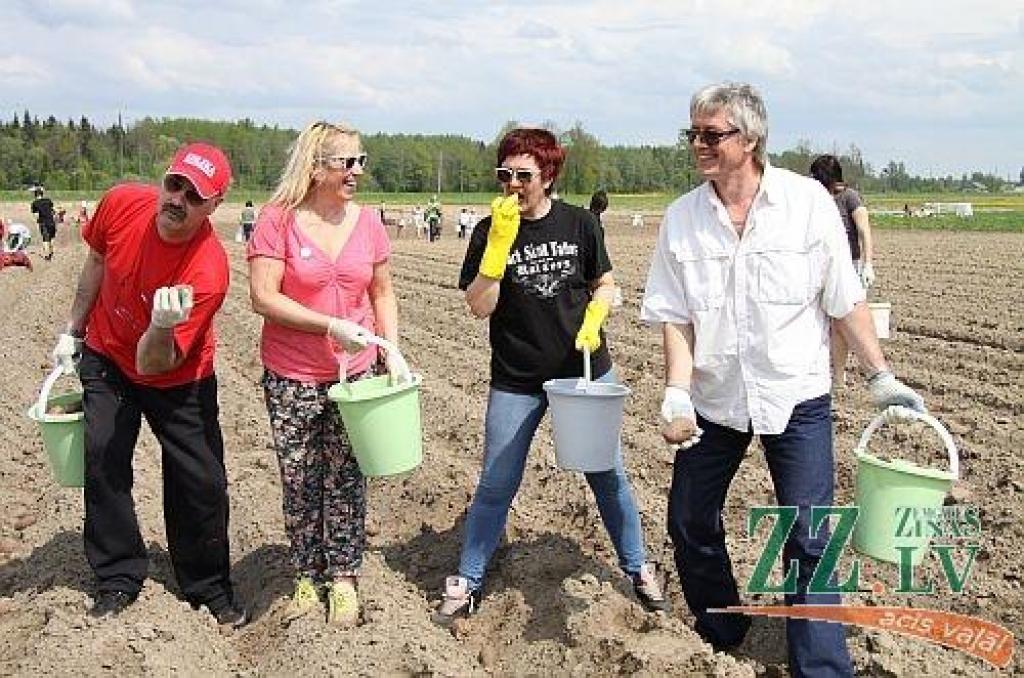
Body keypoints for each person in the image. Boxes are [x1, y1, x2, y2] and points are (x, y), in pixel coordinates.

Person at [641, 82, 926, 677]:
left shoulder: (807, 205)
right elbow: (674, 316)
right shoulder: (682, 219)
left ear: (750, 139)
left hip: (796, 396)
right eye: (691, 132)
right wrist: (675, 390)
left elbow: (845, 300)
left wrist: (880, 375)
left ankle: (821, 667)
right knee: (689, 521)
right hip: (715, 400)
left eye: (710, 134)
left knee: (810, 536)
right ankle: (722, 629)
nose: (698, 144)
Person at [435, 127, 669, 624]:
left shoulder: (581, 224)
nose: (513, 185)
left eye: (524, 175)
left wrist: (595, 314)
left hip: (583, 373)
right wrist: (497, 251)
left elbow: (605, 285)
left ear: (548, 175)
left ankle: (638, 568)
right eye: (505, 174)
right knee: (497, 482)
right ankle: (468, 580)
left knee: (608, 474)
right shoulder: (486, 230)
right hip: (516, 377)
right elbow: (479, 307)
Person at [50, 142, 246, 626]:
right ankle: (118, 575)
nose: (177, 199)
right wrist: (74, 330)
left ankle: (207, 588)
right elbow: (96, 261)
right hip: (108, 354)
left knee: (199, 481)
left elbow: (154, 364)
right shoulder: (121, 203)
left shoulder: (207, 271)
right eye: (173, 184)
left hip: (177, 375)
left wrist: (159, 326)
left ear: (214, 206)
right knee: (103, 457)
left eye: (194, 195)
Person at [247, 120, 409, 628]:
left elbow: (382, 291)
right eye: (347, 163)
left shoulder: (368, 223)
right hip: (293, 372)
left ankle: (342, 577)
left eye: (361, 160)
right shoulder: (278, 221)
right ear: (316, 169)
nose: (357, 171)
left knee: (346, 477)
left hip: (355, 375)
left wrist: (392, 351)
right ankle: (304, 571)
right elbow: (263, 297)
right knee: (300, 477)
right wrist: (330, 324)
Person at [809, 154, 876, 383]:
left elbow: (864, 231)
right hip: (819, 265)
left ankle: (838, 375)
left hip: (849, 266)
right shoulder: (814, 199)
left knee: (841, 322)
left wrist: (868, 264)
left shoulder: (849, 197)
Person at [31, 187, 56, 260]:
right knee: (51, 238)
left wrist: (38, 221)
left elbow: (36, 215)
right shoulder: (48, 200)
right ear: (42, 194)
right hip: (51, 221)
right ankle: (51, 252)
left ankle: (47, 255)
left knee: (45, 239)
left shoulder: (35, 203)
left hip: (43, 222)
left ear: (35, 195)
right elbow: (52, 211)